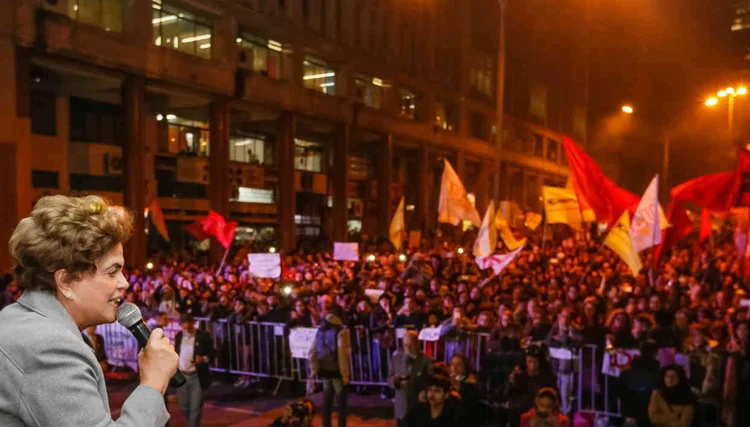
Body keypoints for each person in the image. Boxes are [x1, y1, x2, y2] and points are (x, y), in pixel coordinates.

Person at [0, 195, 179, 427]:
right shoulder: (48, 347)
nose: (124, 283)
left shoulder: (20, 320)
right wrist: (153, 383)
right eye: (112, 271)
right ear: (66, 281)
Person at [309, 312, 351, 427]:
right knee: (341, 403)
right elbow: (342, 354)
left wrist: (313, 370)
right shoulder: (341, 332)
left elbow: (312, 352)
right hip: (337, 371)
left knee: (327, 400)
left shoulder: (320, 332)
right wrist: (345, 375)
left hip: (324, 371)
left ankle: (326, 424)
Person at [175, 313, 213, 427]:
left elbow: (213, 352)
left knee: (195, 408)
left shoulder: (203, 336)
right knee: (184, 406)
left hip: (197, 377)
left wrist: (204, 358)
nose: (187, 330)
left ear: (193, 323)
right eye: (184, 327)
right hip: (182, 377)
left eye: (189, 327)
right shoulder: (178, 336)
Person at [389, 330, 433, 427]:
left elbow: (430, 382)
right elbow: (389, 380)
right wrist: (396, 382)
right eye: (405, 345)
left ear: (417, 344)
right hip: (401, 408)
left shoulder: (427, 360)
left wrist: (413, 382)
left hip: (418, 408)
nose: (408, 349)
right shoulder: (396, 358)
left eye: (411, 345)